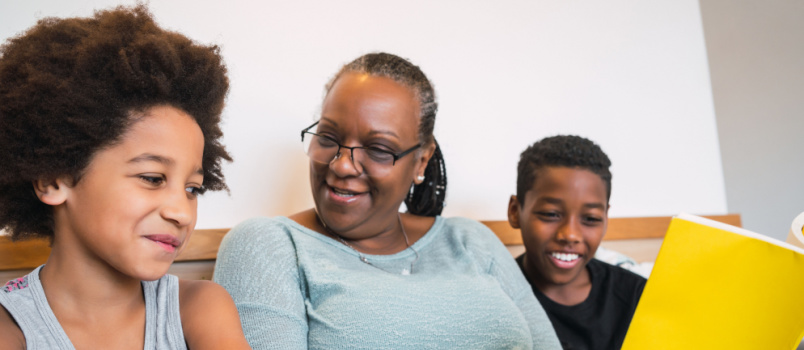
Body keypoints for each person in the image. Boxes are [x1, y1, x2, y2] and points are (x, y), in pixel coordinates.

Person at [213, 52, 562, 349]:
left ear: (421, 161)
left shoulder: (472, 242)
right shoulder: (268, 246)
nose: (343, 164)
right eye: (328, 137)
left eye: (379, 150)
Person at [0, 6, 250, 349]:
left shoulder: (199, 308)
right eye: (152, 178)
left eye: (193, 188)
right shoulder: (10, 327)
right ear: (53, 180)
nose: (182, 212)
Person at [507, 135, 647, 350]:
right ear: (516, 212)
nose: (570, 235)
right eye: (551, 214)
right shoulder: (497, 300)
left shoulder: (637, 296)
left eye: (590, 219)